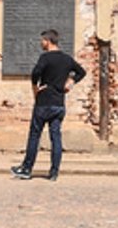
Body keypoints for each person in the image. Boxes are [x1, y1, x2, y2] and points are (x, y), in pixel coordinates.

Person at [12, 29, 84, 181]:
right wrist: (70, 82)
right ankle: (54, 172)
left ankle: (26, 168)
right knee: (56, 137)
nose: (41, 43)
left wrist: (35, 89)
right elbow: (81, 72)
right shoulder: (67, 59)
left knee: (34, 135)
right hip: (58, 103)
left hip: (44, 102)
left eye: (42, 40)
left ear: (47, 41)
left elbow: (35, 73)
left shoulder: (45, 57)